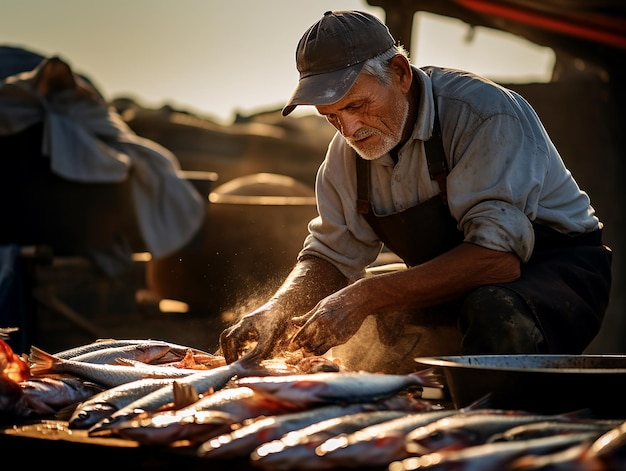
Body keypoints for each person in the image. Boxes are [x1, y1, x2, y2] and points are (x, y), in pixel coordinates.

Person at [219, 10, 612, 374]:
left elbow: (498, 261)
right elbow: (329, 258)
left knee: (489, 308)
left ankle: (498, 430)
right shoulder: (346, 155)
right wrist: (275, 310)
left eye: (358, 105)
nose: (351, 129)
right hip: (458, 276)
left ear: (401, 72)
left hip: (555, 274)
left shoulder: (484, 114)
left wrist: (364, 296)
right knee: (359, 317)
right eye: (332, 116)